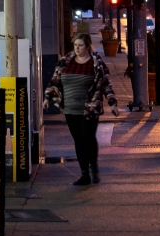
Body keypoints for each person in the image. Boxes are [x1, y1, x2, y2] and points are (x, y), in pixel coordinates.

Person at [43, 33, 119, 185]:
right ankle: (84, 173)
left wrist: (113, 103)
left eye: (80, 45)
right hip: (70, 108)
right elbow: (55, 81)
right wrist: (47, 98)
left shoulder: (96, 63)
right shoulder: (65, 62)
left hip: (90, 107)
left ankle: (93, 166)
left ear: (88, 46)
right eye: (75, 45)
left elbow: (105, 84)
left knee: (87, 137)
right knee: (78, 140)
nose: (77, 48)